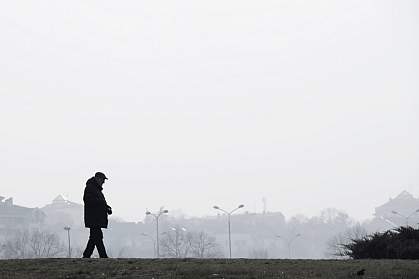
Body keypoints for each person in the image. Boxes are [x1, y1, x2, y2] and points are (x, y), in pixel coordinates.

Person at [82, 172, 112, 258]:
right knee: (97, 237)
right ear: (98, 178)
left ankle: (87, 255)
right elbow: (88, 200)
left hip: (96, 218)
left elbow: (100, 202)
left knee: (94, 238)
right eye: (103, 179)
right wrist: (102, 204)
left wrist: (107, 208)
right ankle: (103, 256)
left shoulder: (96, 189)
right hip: (94, 218)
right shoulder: (90, 188)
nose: (103, 182)